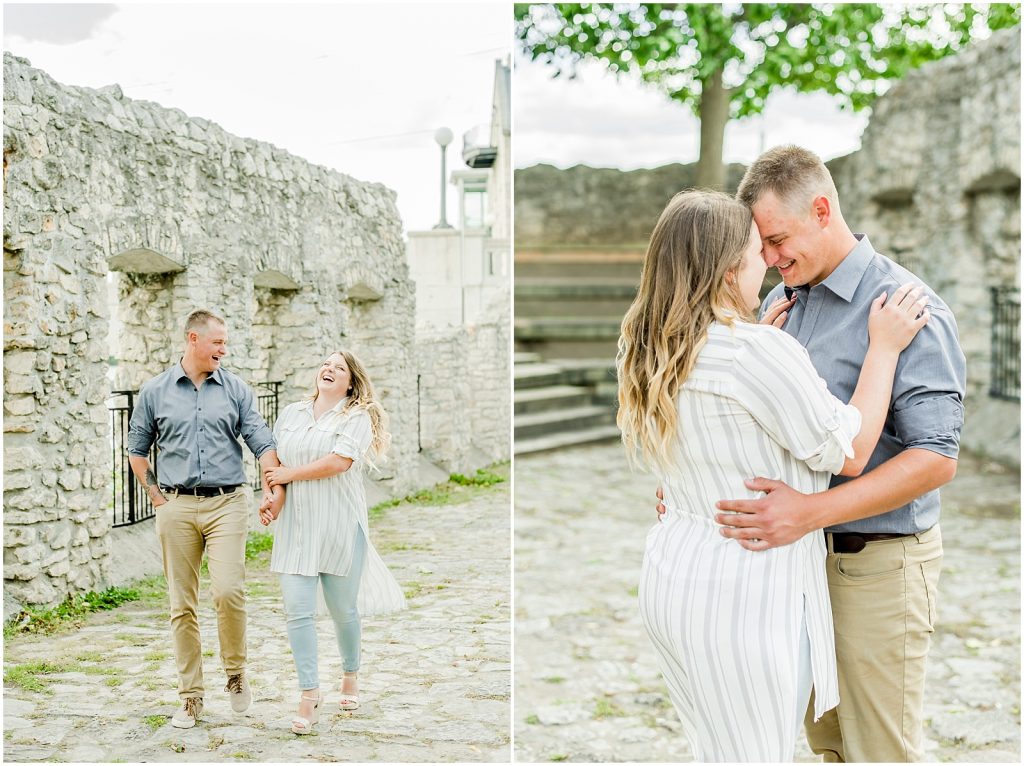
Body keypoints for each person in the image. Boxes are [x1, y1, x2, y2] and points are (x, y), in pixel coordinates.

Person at [657, 146, 967, 762]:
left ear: (822, 209)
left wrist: (809, 513)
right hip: (793, 572)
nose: (769, 259)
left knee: (880, 749)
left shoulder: (906, 309)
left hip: (877, 565)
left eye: (777, 240)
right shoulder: (782, 306)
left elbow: (936, 457)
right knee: (827, 744)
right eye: (761, 248)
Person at [127, 309, 283, 729]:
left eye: (224, 343)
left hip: (227, 503)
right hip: (175, 506)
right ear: (193, 339)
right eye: (217, 342)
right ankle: (191, 697)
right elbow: (137, 449)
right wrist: (158, 498)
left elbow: (261, 440)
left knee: (229, 591)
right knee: (182, 605)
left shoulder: (235, 389)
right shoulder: (155, 391)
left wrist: (273, 485)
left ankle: (235, 673)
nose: (223, 349)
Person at [259, 350, 406, 735]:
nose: (328, 369)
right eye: (325, 364)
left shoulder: (356, 416)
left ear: (351, 382)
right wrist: (272, 497)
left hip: (340, 526)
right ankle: (309, 694)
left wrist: (288, 473)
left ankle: (351, 675)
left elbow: (339, 462)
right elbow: (272, 464)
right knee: (297, 612)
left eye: (338, 367)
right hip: (296, 527)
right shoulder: (291, 413)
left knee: (343, 610)